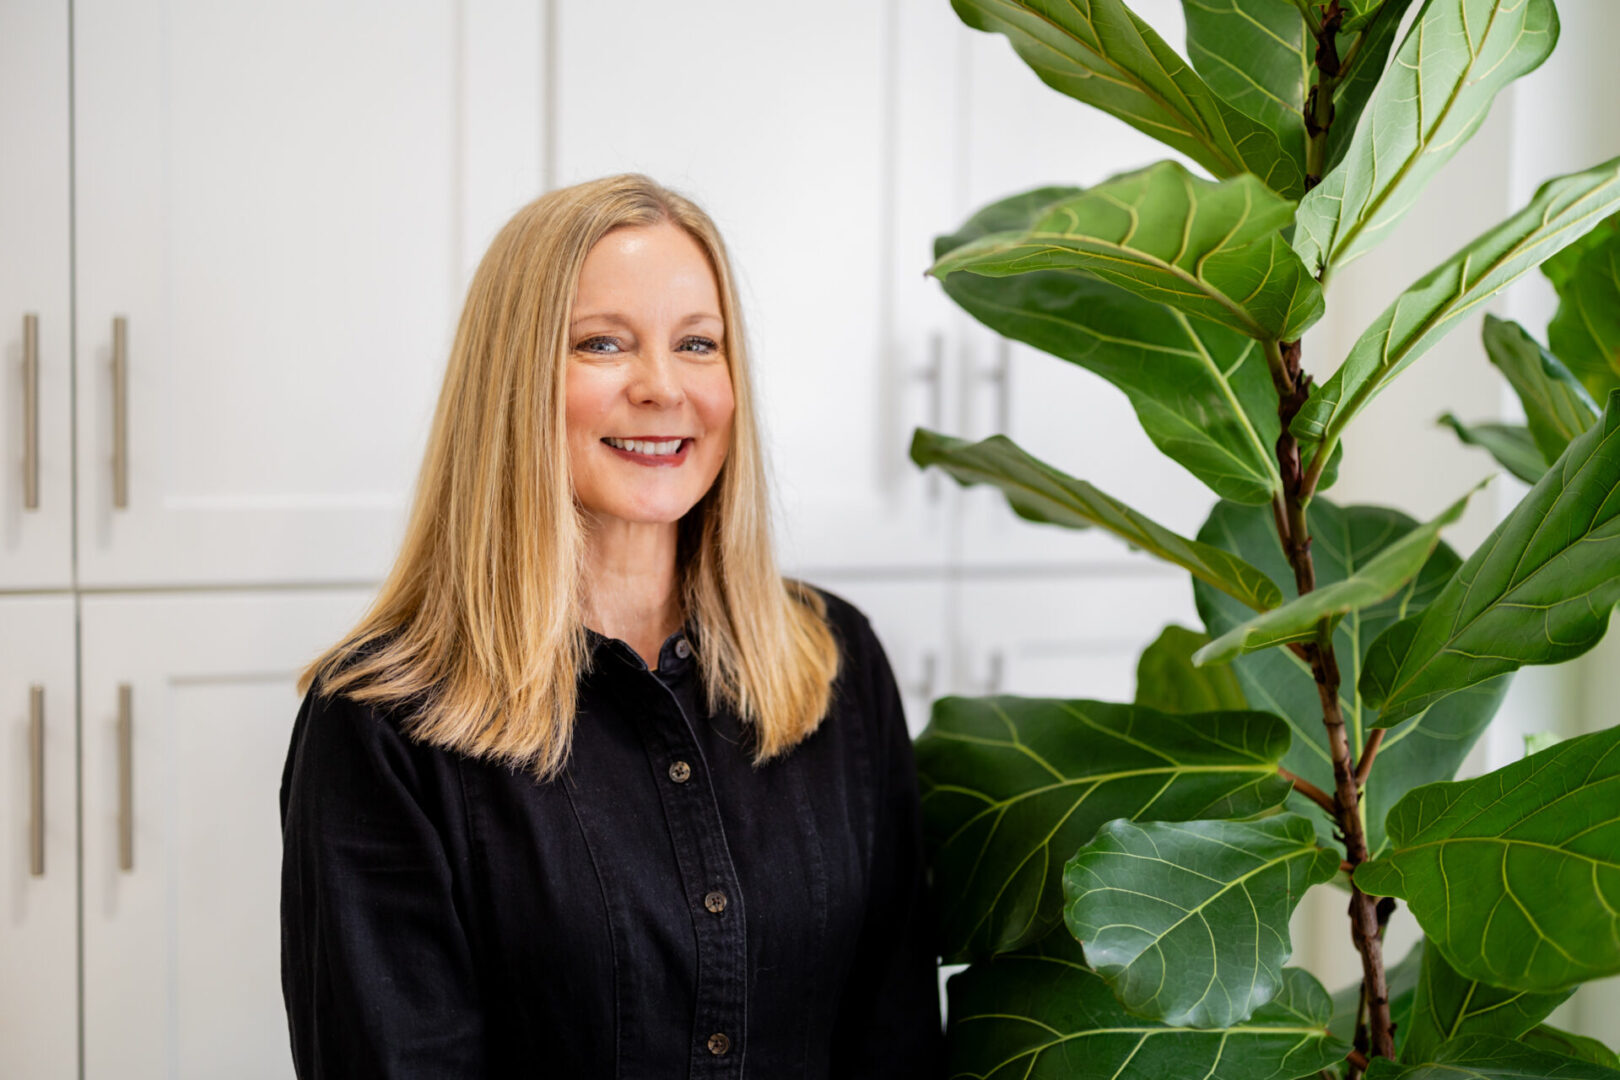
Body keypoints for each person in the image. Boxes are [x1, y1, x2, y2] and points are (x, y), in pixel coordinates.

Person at [278, 173, 945, 1077]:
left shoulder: (835, 663)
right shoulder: (380, 720)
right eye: (602, 344)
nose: (663, 388)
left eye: (698, 345)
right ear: (514, 381)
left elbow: (896, 1040)